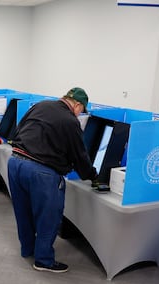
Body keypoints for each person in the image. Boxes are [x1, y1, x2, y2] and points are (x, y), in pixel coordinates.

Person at [8, 87, 97, 273]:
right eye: (82, 110)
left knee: (23, 212)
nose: (81, 114)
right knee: (48, 218)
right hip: (41, 172)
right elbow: (80, 155)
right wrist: (93, 176)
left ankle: (28, 250)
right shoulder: (70, 121)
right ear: (77, 105)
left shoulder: (41, 105)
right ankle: (44, 261)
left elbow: (18, 131)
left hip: (15, 163)